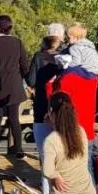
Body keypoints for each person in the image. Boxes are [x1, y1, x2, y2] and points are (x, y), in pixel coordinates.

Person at [0, 15, 30, 159]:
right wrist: (20, 79)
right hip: (14, 85)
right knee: (14, 118)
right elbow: (24, 65)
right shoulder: (17, 42)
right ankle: (18, 149)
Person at [55, 24, 98, 144]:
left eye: (69, 37)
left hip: (86, 70)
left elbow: (75, 62)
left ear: (74, 37)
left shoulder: (75, 48)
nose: (67, 39)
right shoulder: (89, 46)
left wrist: (64, 65)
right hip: (94, 71)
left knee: (68, 70)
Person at [27, 25, 65, 158]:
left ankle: (45, 174)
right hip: (59, 105)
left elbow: (30, 81)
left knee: (43, 150)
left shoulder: (38, 57)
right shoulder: (65, 59)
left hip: (42, 104)